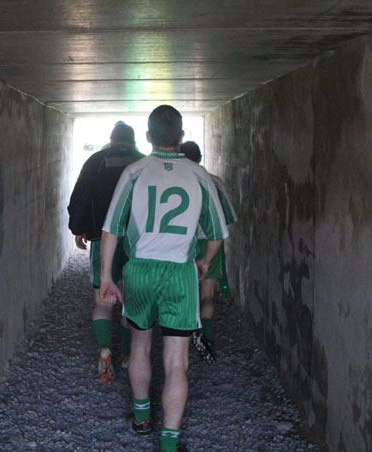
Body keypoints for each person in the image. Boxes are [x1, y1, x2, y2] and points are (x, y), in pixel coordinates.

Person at [99, 106, 229, 452]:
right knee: (177, 360)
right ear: (181, 138)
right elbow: (217, 234)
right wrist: (203, 262)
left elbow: (111, 227)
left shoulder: (134, 172)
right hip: (179, 273)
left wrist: (106, 276)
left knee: (140, 345)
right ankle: (169, 441)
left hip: (140, 269)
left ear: (147, 137)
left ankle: (141, 418)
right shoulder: (199, 174)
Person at [67, 122, 144, 384]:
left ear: (111, 140)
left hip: (102, 239)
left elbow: (79, 197)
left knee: (102, 302)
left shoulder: (95, 161)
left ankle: (104, 349)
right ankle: (126, 354)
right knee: (131, 300)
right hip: (137, 243)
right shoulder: (144, 163)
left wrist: (78, 229)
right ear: (133, 142)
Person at [180, 141, 237, 364]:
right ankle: (206, 337)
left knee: (184, 293)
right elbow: (227, 220)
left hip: (184, 244)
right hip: (210, 244)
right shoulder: (214, 181)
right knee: (207, 295)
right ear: (200, 158)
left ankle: (181, 339)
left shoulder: (176, 180)